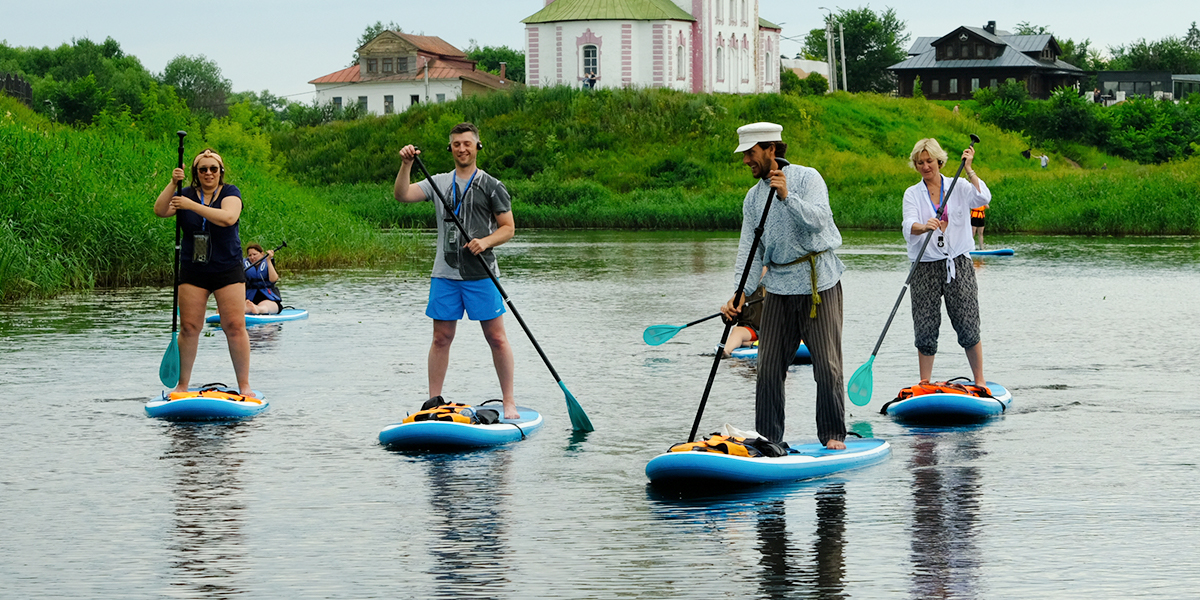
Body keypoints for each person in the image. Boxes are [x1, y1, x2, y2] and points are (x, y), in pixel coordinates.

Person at [719, 122, 848, 450]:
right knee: (767, 369)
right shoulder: (752, 199)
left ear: (771, 149)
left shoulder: (808, 178)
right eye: (744, 154)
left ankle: (833, 435)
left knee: (827, 367)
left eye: (751, 153)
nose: (746, 160)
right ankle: (768, 439)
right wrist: (739, 293)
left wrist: (787, 197)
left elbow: (820, 220)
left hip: (819, 285)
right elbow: (750, 250)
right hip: (778, 288)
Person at [393, 122, 519, 419]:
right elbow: (402, 195)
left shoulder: (492, 185)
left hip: (482, 273)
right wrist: (406, 164)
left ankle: (509, 401)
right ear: (450, 148)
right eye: (456, 144)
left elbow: (508, 228)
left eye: (467, 143)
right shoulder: (437, 182)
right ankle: (433, 401)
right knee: (441, 338)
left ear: (477, 146)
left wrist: (485, 242)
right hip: (445, 274)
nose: (462, 149)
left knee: (497, 338)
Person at [153, 149, 255, 397]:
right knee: (189, 327)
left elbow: (228, 218)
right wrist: (173, 184)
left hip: (227, 267)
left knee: (234, 325)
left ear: (221, 171)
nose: (209, 173)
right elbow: (160, 210)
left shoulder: (230, 192)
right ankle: (182, 386)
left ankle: (244, 385)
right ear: (196, 173)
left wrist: (191, 206)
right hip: (193, 268)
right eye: (203, 169)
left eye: (213, 168)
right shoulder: (184, 193)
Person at [902, 138, 991, 387]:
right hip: (924, 265)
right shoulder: (912, 193)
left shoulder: (958, 186)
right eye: (920, 162)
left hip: (958, 263)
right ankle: (924, 383)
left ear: (939, 161)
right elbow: (908, 224)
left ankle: (980, 380)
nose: (925, 166)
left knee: (968, 322)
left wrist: (969, 169)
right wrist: (923, 226)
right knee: (925, 325)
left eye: (929, 161)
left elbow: (983, 197)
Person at [723, 283, 764, 358]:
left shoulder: (776, 289)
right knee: (737, 330)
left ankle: (748, 343)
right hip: (750, 330)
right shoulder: (743, 293)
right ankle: (726, 351)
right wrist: (727, 312)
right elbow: (732, 321)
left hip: (771, 331)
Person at [244, 243, 282, 315]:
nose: (252, 257)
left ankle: (258, 309)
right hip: (251, 298)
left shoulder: (268, 262)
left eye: (255, 254)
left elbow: (273, 279)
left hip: (267, 297)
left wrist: (268, 260)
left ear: (262, 254)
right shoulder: (244, 266)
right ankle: (250, 308)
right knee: (244, 305)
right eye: (250, 255)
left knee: (265, 305)